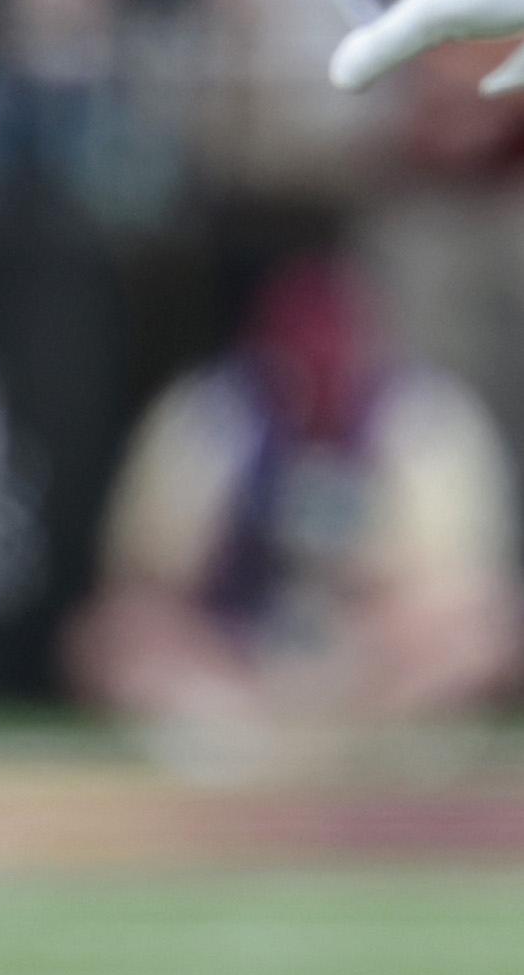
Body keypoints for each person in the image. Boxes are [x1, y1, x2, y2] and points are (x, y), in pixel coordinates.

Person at [68, 250, 521, 779]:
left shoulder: (429, 420)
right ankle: (243, 756)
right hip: (238, 668)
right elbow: (148, 582)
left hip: (373, 673)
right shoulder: (208, 416)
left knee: (482, 635)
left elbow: (456, 591)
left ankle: (375, 754)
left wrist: (359, 652)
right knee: (110, 637)